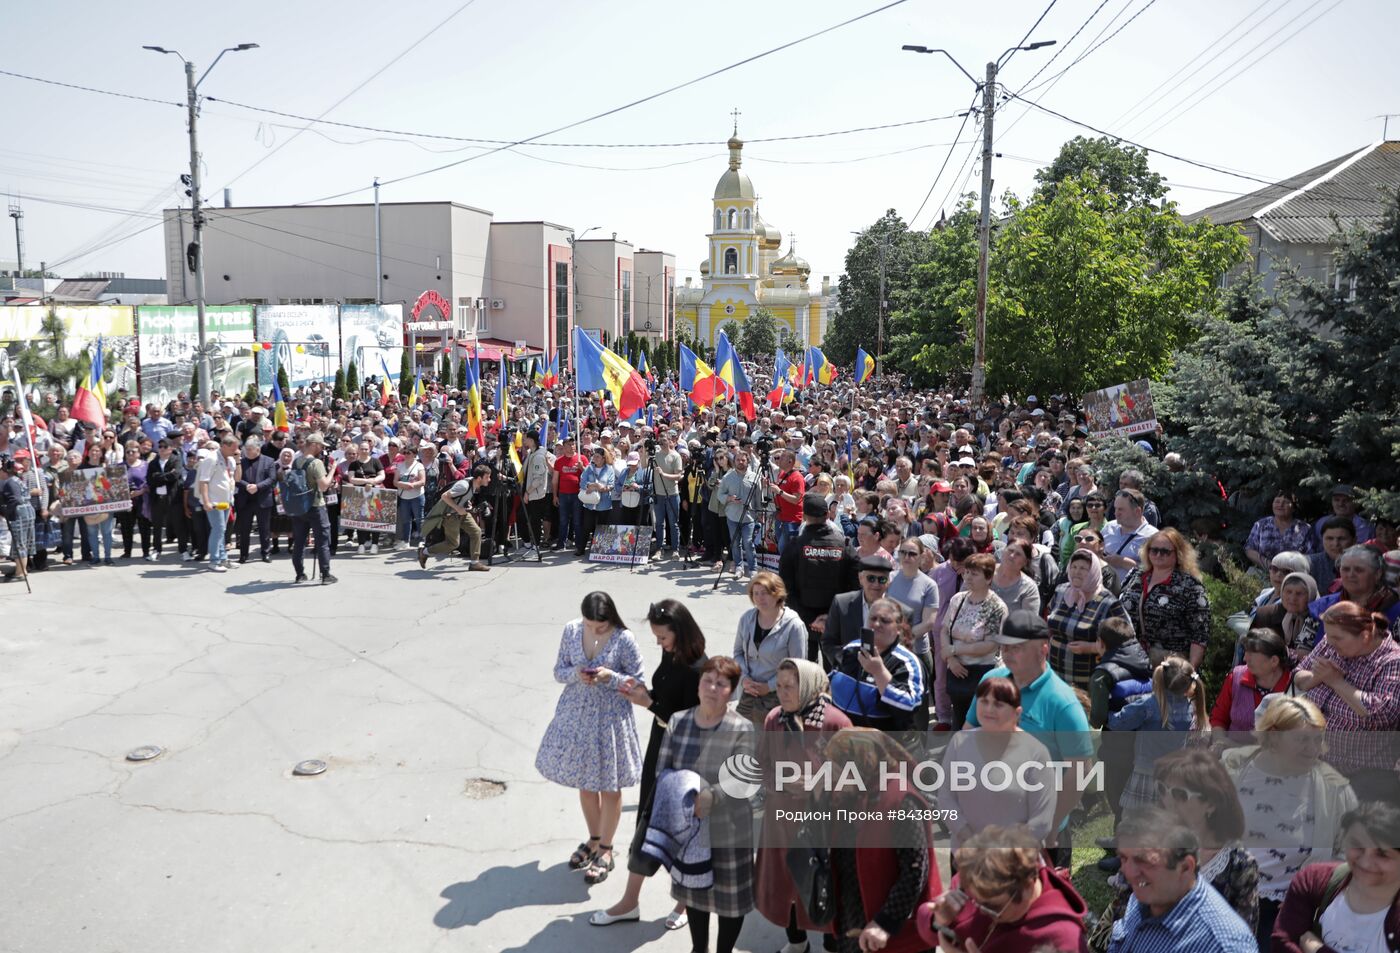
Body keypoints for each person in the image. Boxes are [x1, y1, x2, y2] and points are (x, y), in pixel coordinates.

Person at [591, 600, 706, 930]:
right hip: (659, 746)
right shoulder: (673, 655)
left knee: (681, 828)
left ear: (680, 633)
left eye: (662, 638)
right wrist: (644, 692)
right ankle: (630, 902)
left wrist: (650, 702)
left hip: (685, 757)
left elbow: (694, 722)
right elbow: (666, 696)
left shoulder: (700, 667)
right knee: (647, 819)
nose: (659, 643)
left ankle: (685, 902)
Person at [1221, 696, 1359, 946]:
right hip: (1224, 897)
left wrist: (1312, 893)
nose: (1312, 749)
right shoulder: (1232, 768)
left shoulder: (1335, 789)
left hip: (1285, 912)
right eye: (1302, 739)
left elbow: (1350, 852)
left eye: (1317, 739)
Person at [966, 611, 1095, 867]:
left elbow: (1079, 772)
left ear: (1043, 650)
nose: (1008, 653)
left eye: (1018, 648)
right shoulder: (990, 682)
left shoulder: (1062, 703)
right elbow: (968, 732)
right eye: (1005, 646)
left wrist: (1051, 825)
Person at [535, 592, 644, 888]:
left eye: (601, 627)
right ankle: (594, 839)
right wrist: (575, 674)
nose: (595, 630)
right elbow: (559, 671)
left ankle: (606, 849)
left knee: (610, 785)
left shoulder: (624, 639)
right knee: (586, 784)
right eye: (590, 625)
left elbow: (639, 681)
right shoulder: (571, 630)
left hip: (610, 719)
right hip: (577, 716)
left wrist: (611, 677)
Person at [1102, 749, 1260, 942]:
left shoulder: (1239, 865)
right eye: (1162, 789)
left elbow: (1241, 937)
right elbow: (1123, 912)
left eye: (1180, 794)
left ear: (1211, 804)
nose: (1167, 801)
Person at [653, 656, 756, 953]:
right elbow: (663, 770)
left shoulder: (742, 728)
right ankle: (699, 949)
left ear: (732, 692)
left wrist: (714, 796)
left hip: (729, 830)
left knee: (730, 902)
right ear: (698, 685)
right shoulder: (678, 721)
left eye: (721, 684)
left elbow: (744, 781)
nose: (712, 688)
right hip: (690, 828)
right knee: (695, 894)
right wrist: (681, 797)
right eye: (707, 681)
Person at [753, 659, 853, 953]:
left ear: (808, 686)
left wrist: (815, 784)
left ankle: (832, 942)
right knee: (788, 883)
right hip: (782, 821)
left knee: (827, 882)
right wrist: (783, 784)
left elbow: (853, 776)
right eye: (780, 686)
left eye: (790, 686)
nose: (782, 693)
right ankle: (797, 942)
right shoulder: (774, 719)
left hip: (824, 823)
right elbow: (762, 766)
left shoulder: (836, 722)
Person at [825, 729, 943, 953]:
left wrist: (885, 922)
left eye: (839, 764)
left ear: (862, 760)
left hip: (893, 931)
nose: (832, 772)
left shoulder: (901, 800)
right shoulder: (851, 794)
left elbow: (915, 870)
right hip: (854, 919)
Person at [1291, 600, 1400, 803]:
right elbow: (1298, 675)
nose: (1329, 642)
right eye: (1328, 636)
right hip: (1314, 762)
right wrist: (1318, 677)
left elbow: (1380, 714)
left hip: (1363, 775)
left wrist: (1336, 681)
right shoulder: (1331, 643)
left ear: (1365, 636)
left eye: (1337, 638)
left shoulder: (1392, 661)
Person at [918, 824, 1087, 953]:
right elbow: (926, 920)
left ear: (1028, 885)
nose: (980, 911)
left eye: (993, 907)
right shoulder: (981, 879)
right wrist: (937, 921)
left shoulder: (1063, 938)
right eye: (972, 898)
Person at [1108, 808, 1258, 953]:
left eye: (1144, 860)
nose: (1129, 872)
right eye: (1124, 858)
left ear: (1186, 867)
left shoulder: (1224, 946)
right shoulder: (1144, 897)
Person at [939, 677, 1056, 850]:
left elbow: (1042, 821)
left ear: (1017, 713)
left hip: (1015, 862)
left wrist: (1000, 854)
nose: (989, 709)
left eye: (998, 704)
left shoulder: (1036, 753)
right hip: (967, 858)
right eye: (984, 701)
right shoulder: (959, 743)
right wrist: (970, 839)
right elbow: (946, 799)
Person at [1272, 801, 1400, 953]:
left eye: (1382, 854)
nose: (1365, 862)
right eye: (1357, 846)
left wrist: (1317, 950)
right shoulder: (1313, 880)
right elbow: (1281, 943)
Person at [1108, 656, 1207, 816]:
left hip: (1145, 774)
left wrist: (1106, 709)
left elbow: (1118, 723)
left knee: (1133, 824)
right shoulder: (1190, 707)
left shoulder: (1149, 704)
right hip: (1173, 779)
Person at [828, 596, 925, 754]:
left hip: (885, 752)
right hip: (847, 748)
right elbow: (829, 683)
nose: (876, 624)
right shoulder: (851, 649)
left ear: (899, 628)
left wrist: (879, 672)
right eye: (873, 618)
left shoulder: (908, 663)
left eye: (885, 620)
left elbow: (909, 706)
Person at [780, 491, 857, 663]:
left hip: (804, 619)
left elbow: (785, 587)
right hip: (834, 621)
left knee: (806, 672)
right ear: (828, 514)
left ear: (805, 516)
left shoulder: (795, 546)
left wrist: (807, 618)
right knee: (835, 673)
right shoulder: (844, 545)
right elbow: (856, 585)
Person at [1119, 527, 1211, 668]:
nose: (1158, 554)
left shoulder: (1191, 586)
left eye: (1165, 551)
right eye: (1154, 550)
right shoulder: (1136, 575)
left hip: (1170, 665)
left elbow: (1199, 634)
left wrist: (1190, 671)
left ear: (1178, 554)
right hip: (1132, 658)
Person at [1047, 548, 1131, 692]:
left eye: (1083, 568)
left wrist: (1091, 648)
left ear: (1094, 571)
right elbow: (1050, 622)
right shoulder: (1061, 591)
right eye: (1073, 567)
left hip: (1087, 681)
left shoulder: (1108, 602)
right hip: (1055, 675)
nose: (1076, 572)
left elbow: (1127, 639)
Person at [939, 552, 1008, 728]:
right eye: (966, 572)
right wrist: (951, 660)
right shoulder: (958, 599)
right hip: (956, 671)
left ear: (988, 578)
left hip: (983, 673)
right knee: (959, 720)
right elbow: (945, 630)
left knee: (980, 725)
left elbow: (991, 645)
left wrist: (954, 651)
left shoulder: (996, 606)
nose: (968, 577)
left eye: (974, 574)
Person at [732, 572, 807, 726]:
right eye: (756, 593)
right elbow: (738, 653)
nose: (759, 598)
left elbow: (797, 667)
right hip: (748, 692)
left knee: (772, 745)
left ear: (777, 594)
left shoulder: (794, 625)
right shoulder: (747, 619)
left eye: (765, 593)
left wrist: (770, 686)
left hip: (778, 696)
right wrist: (744, 678)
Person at [1210, 629, 1296, 735]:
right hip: (1231, 749)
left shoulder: (1294, 687)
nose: (1245, 658)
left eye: (1252, 653)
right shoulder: (1235, 678)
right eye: (1246, 652)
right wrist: (1220, 741)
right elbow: (1218, 719)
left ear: (1274, 661)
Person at [1308, 545, 1400, 643]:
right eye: (1346, 569)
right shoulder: (1322, 605)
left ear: (1377, 574)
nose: (1351, 575)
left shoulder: (1396, 609)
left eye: (1359, 570)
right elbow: (1303, 648)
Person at [280, 432, 336, 585]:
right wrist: (332, 470)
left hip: (299, 506)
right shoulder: (316, 463)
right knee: (322, 540)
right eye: (320, 446)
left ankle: (300, 574)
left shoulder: (297, 461)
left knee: (299, 541)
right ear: (314, 445)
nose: (321, 449)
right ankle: (325, 575)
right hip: (316, 506)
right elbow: (323, 486)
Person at [418, 463, 492, 572]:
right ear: (479, 478)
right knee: (453, 544)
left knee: (476, 532)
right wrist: (457, 508)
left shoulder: (474, 484)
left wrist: (467, 504)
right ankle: (424, 552)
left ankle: (474, 563)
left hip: (462, 514)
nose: (489, 480)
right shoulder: (464, 486)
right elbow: (445, 496)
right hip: (451, 516)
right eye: (487, 477)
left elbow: (461, 498)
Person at [1253, 571, 1320, 661]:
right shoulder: (1265, 614)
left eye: (1299, 593)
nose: (1292, 598)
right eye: (1288, 592)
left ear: (1310, 595)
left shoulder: (1318, 619)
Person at [1245, 489, 1317, 571]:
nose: (1280, 505)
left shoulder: (1304, 528)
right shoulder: (1261, 525)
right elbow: (1249, 549)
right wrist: (1269, 565)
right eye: (1277, 501)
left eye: (1286, 502)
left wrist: (1289, 569)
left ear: (1293, 507)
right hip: (1262, 574)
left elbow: (1310, 555)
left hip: (1293, 574)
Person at [197, 434, 239, 573]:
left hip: (226, 500)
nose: (236, 450)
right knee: (218, 529)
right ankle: (214, 560)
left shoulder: (231, 460)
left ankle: (223, 558)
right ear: (224, 446)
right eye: (233, 448)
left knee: (222, 530)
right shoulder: (211, 458)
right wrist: (206, 501)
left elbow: (235, 478)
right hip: (213, 501)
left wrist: (238, 461)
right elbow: (203, 481)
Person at [718, 447, 761, 580]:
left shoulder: (754, 477)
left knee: (748, 543)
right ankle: (739, 567)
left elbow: (758, 497)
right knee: (735, 543)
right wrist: (729, 498)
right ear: (734, 461)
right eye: (738, 460)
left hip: (749, 517)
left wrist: (759, 513)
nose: (740, 462)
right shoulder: (728, 477)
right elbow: (720, 494)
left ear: (747, 462)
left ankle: (753, 569)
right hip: (732, 516)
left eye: (743, 460)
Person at [233, 436, 277, 564]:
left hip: (262, 499)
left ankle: (265, 553)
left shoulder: (269, 461)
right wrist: (246, 485)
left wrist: (257, 487)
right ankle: (243, 555)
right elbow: (237, 478)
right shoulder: (241, 461)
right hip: (245, 500)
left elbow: (271, 479)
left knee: (264, 529)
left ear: (257, 449)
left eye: (249, 449)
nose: (246, 451)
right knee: (244, 529)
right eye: (246, 449)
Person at [1101, 488, 1158, 584]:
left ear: (1137, 511)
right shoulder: (1109, 527)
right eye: (1115, 508)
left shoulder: (1153, 537)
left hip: (1132, 594)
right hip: (1103, 592)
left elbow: (1157, 572)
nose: (1116, 513)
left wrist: (1124, 563)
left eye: (1121, 510)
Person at [0, 454, 35, 583]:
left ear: (4, 471)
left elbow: (16, 499)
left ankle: (21, 573)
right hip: (25, 511)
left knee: (20, 543)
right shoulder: (16, 479)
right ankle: (21, 570)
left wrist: (6, 511)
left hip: (19, 513)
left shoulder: (10, 482)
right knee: (21, 543)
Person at [145, 438, 182, 560]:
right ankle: (156, 549)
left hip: (173, 497)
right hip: (157, 498)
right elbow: (150, 479)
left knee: (178, 524)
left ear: (170, 449)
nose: (161, 449)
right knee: (157, 526)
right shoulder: (153, 463)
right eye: (159, 446)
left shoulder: (175, 460)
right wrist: (164, 477)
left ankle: (183, 550)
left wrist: (158, 477)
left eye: (164, 446)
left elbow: (175, 475)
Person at [649, 430, 684, 560]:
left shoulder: (675, 456)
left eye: (665, 440)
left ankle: (675, 550)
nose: (663, 443)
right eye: (661, 440)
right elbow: (643, 465)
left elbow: (678, 476)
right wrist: (643, 453)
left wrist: (663, 474)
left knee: (673, 523)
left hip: (672, 494)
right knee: (659, 523)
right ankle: (659, 549)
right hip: (659, 494)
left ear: (670, 441)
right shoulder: (656, 456)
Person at [576, 446, 615, 557]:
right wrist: (591, 485)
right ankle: (581, 549)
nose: (595, 458)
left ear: (603, 458)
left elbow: (611, 485)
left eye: (598, 457)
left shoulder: (609, 469)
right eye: (594, 456)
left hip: (604, 504)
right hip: (589, 503)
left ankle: (600, 550)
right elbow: (582, 483)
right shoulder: (589, 468)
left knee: (602, 527)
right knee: (586, 526)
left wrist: (601, 488)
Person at [767, 448, 806, 556]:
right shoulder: (782, 474)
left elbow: (796, 499)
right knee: (781, 548)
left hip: (792, 520)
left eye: (782, 457)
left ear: (790, 461)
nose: (779, 460)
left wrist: (779, 491)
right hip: (781, 518)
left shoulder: (797, 477)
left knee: (785, 549)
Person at [116, 443, 152, 559]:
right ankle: (127, 551)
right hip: (125, 500)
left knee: (144, 527)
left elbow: (150, 482)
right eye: (128, 452)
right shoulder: (118, 467)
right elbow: (114, 484)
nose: (131, 454)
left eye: (133, 451)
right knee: (126, 527)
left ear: (139, 453)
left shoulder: (146, 465)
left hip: (142, 499)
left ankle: (146, 551)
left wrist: (140, 491)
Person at [551, 435, 586, 553]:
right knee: (563, 521)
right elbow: (555, 480)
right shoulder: (559, 461)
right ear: (564, 447)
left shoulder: (582, 458)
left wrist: (582, 467)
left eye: (573, 444)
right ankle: (561, 544)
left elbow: (589, 475)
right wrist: (555, 495)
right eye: (568, 445)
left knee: (577, 521)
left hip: (577, 494)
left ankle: (580, 545)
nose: (571, 447)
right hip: (563, 494)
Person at [991, 540, 1042, 617]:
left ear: (1025, 562)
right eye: (1010, 550)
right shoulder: (985, 571)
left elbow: (1029, 621)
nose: (1012, 556)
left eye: (1018, 554)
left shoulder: (1029, 588)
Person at [393, 441, 426, 549]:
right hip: (404, 496)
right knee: (406, 519)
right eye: (405, 453)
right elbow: (395, 481)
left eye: (409, 453)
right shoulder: (400, 465)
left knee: (419, 519)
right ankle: (405, 541)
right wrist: (401, 484)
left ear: (414, 454)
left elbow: (422, 481)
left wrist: (412, 485)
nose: (406, 455)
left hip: (417, 496)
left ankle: (422, 540)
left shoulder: (419, 465)